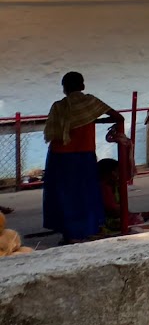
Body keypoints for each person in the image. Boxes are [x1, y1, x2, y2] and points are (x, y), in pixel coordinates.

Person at [41, 71, 124, 244]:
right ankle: (85, 232)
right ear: (83, 86)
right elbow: (118, 117)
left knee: (64, 196)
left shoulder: (58, 106)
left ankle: (68, 234)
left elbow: (52, 131)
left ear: (64, 89)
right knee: (85, 194)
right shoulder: (90, 102)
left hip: (59, 157)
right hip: (83, 155)